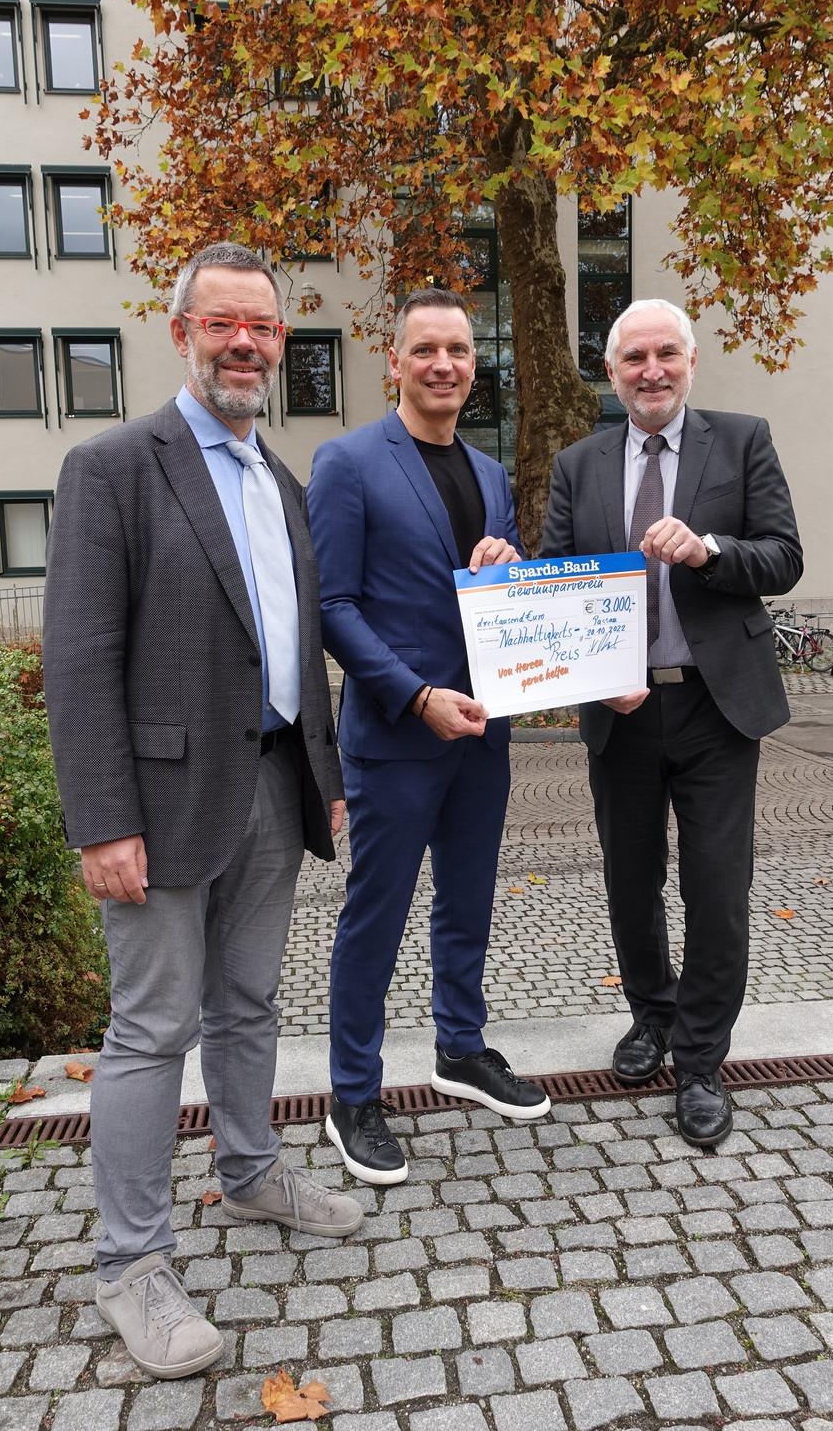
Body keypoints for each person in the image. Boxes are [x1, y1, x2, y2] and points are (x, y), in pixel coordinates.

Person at [42, 242, 361, 1380]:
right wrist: (99, 820)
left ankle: (247, 1166)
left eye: (264, 328)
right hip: (161, 806)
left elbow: (291, 641)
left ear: (280, 344)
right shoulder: (115, 466)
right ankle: (132, 1262)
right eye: (224, 323)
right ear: (180, 333)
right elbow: (79, 659)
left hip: (273, 786)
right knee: (149, 1028)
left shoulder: (283, 481)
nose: (244, 343)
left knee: (247, 1002)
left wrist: (322, 773)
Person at [541, 298, 802, 1147]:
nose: (650, 371)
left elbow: (785, 556)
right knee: (630, 881)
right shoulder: (579, 463)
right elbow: (555, 584)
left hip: (716, 705)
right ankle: (651, 1017)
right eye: (632, 360)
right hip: (622, 708)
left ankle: (699, 1060)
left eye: (665, 355)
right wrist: (511, 572)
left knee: (719, 890)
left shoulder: (743, 438)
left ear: (690, 361)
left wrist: (709, 551)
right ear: (610, 373)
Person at [306, 288, 550, 1186]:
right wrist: (416, 697)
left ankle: (460, 1048)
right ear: (395, 363)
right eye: (426, 350)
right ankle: (353, 1095)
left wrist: (510, 566)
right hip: (399, 733)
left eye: (458, 349)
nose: (444, 363)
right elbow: (331, 606)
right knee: (377, 915)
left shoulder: (488, 475)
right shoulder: (347, 463)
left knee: (469, 903)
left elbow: (498, 600)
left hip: (484, 733)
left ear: (472, 366)